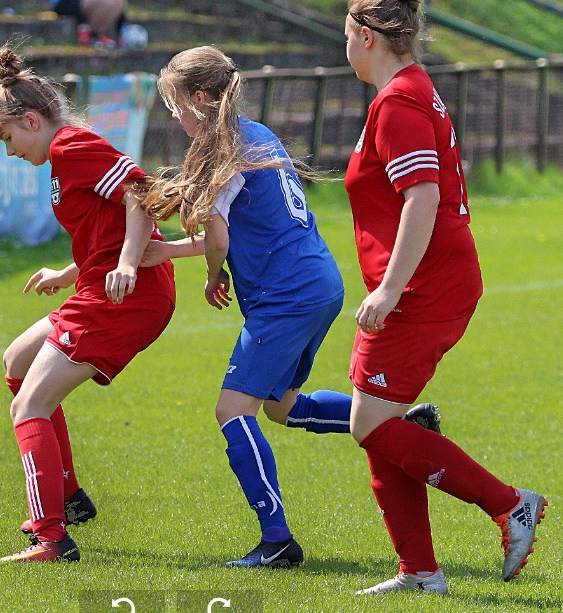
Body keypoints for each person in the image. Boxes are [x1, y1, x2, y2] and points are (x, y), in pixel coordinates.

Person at [139, 45, 439, 568]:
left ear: (201, 98)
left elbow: (218, 233)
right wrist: (170, 250)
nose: (175, 117)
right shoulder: (254, 134)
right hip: (318, 282)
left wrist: (213, 273)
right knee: (281, 406)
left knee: (232, 410)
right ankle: (405, 423)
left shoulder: (223, 149)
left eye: (176, 106)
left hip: (286, 296)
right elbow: (244, 226)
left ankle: (276, 540)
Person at [342, 0, 547, 595]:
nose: (346, 46)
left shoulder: (400, 101)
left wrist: (390, 287)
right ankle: (419, 571)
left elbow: (423, 198)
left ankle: (510, 505)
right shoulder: (404, 91)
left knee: (373, 425)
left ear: (366, 36)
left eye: (347, 35)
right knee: (377, 420)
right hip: (425, 279)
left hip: (422, 287)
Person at [0, 44, 175, 563]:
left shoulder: (70, 146)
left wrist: (130, 265)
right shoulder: (64, 154)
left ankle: (50, 536)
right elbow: (104, 224)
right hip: (100, 288)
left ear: (30, 119)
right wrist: (68, 272)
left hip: (127, 297)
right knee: (17, 362)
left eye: (7, 139)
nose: (9, 151)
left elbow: (140, 192)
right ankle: (68, 496)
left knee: (30, 405)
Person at [51, 0, 127, 47]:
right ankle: (89, 33)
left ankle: (94, 34)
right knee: (108, 2)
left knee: (119, 2)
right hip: (65, 4)